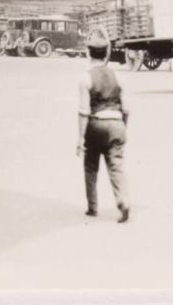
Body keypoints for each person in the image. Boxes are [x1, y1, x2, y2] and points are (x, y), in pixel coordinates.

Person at [77, 30, 130, 222]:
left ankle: (92, 207)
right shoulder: (119, 77)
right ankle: (123, 200)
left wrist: (81, 139)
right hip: (117, 123)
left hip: (96, 125)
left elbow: (83, 111)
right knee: (116, 166)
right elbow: (127, 108)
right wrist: (123, 127)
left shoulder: (85, 78)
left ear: (89, 53)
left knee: (91, 166)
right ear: (106, 52)